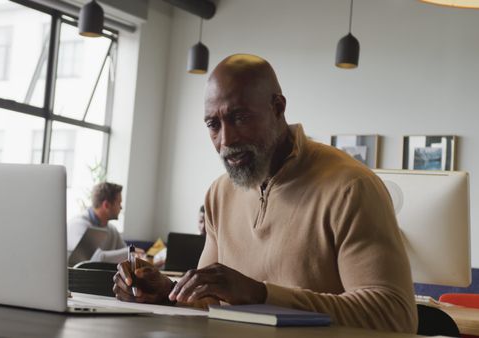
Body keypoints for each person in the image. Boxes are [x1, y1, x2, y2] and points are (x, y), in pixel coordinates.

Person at [113, 54, 417, 333]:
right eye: (213, 124)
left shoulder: (351, 187)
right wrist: (168, 293)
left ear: (278, 108)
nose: (226, 141)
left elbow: (395, 316)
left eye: (240, 118)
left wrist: (261, 295)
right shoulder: (220, 193)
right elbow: (209, 302)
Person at [67, 182, 142, 263]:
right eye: (119, 203)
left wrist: (133, 254)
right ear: (106, 205)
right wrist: (129, 251)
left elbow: (125, 254)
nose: (121, 207)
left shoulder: (112, 230)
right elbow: (95, 258)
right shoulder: (78, 225)